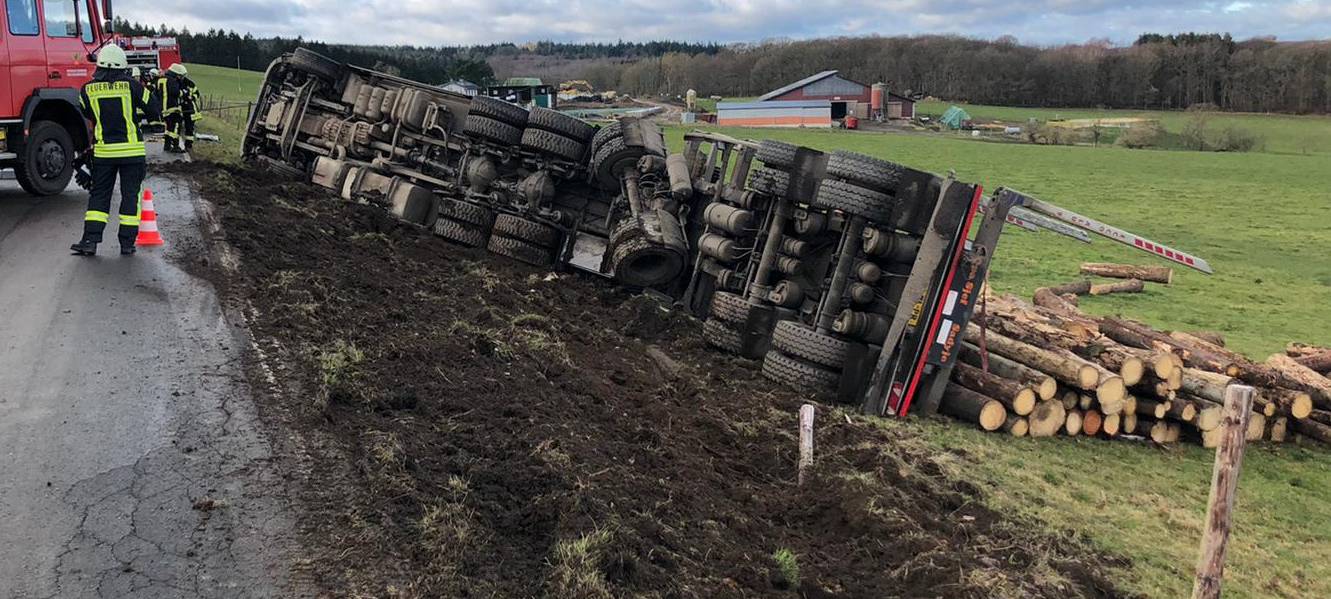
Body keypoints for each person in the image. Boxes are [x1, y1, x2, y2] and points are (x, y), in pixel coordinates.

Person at [70, 46, 160, 257]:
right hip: (132, 153)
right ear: (123, 65)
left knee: (99, 196)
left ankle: (90, 241)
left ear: (99, 64)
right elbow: (153, 107)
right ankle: (127, 244)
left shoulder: (87, 89)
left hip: (104, 154)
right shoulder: (133, 86)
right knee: (130, 196)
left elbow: (85, 110)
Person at [159, 64, 185, 152]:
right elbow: (176, 93)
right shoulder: (172, 81)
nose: (180, 78)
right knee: (176, 126)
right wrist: (184, 92)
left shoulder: (161, 80)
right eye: (179, 76)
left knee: (168, 128)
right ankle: (175, 146)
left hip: (163, 109)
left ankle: (167, 145)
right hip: (172, 108)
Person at [179, 69, 200, 152]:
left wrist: (192, 97)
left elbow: (197, 93)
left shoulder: (190, 83)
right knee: (178, 126)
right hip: (180, 108)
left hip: (190, 108)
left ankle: (188, 145)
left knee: (189, 127)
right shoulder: (177, 83)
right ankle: (176, 143)